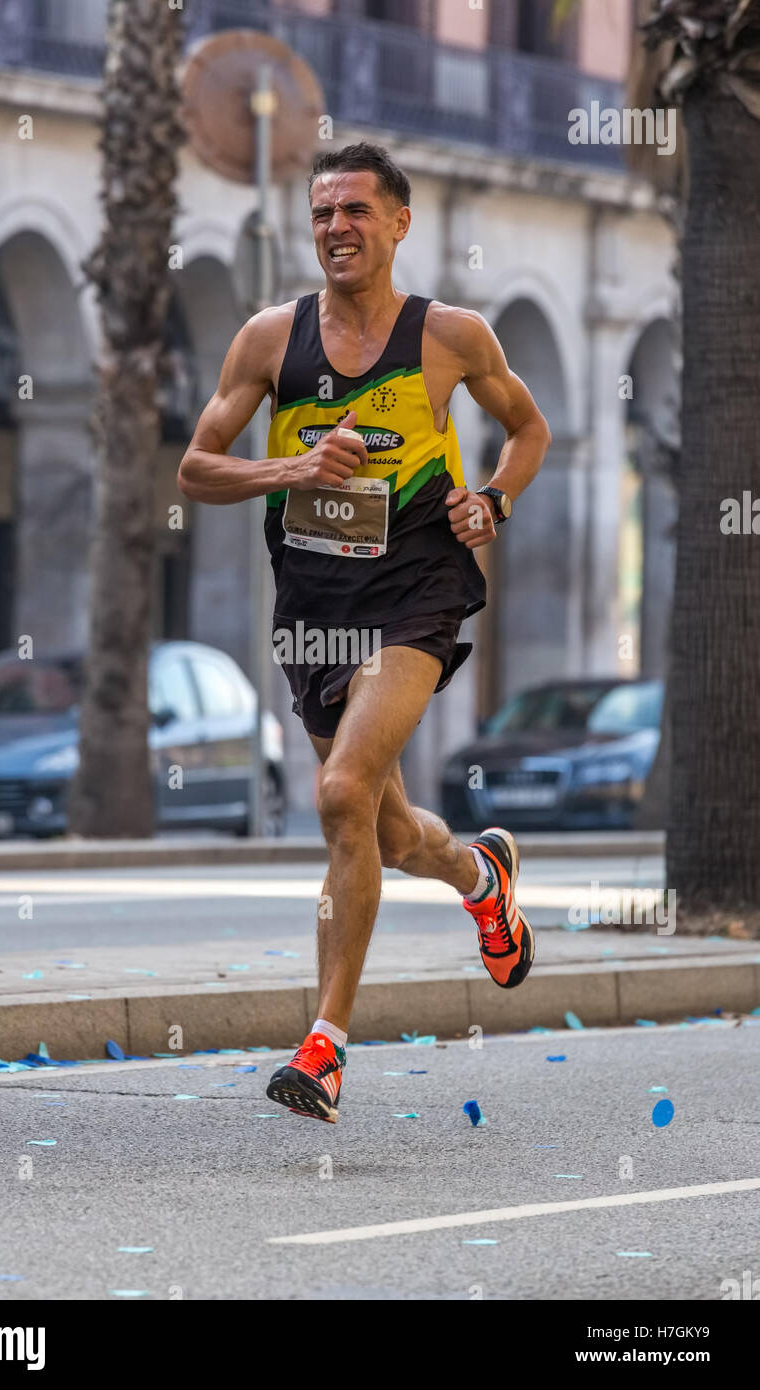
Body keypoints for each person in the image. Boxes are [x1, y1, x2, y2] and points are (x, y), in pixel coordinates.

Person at [178, 142, 551, 1124]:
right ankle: (480, 874)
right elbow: (195, 470)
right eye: (320, 213)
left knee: (340, 791)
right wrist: (292, 471)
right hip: (311, 607)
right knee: (380, 833)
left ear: (398, 223)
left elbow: (527, 430)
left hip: (416, 590)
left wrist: (493, 504)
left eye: (354, 211)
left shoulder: (449, 338)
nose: (335, 228)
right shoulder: (269, 340)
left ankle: (325, 1045)